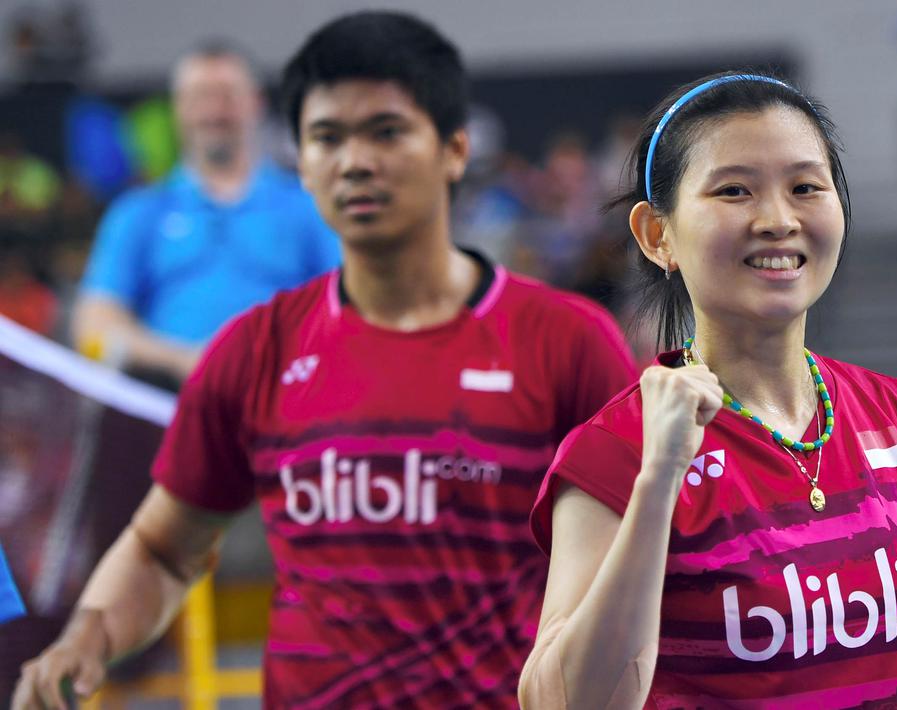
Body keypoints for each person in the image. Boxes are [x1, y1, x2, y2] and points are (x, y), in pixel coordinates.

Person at [14, 11, 636, 709]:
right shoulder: (255, 350)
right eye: (327, 137)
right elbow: (162, 550)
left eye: (386, 132)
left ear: (454, 149)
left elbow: (643, 568)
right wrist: (86, 638)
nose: (354, 161)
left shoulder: (567, 344)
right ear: (303, 164)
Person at [519, 72, 897, 708]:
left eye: (805, 187)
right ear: (657, 235)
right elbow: (560, 702)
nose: (778, 220)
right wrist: (659, 478)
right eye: (734, 191)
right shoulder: (617, 452)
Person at [72, 41, 339, 384]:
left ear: (256, 103)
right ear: (178, 108)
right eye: (200, 97)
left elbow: (349, 308)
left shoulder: (308, 206)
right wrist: (181, 360)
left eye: (227, 96)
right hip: (170, 399)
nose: (214, 111)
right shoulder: (138, 211)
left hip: (287, 393)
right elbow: (93, 324)